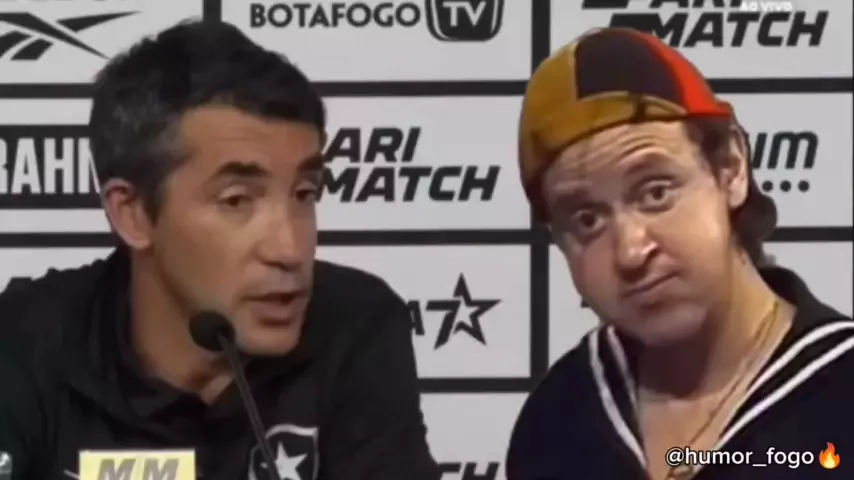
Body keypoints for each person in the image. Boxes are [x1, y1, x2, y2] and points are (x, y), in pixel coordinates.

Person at [0, 20, 440, 480]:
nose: (291, 249)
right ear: (132, 214)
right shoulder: (24, 344)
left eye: (305, 193)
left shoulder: (355, 326)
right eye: (236, 201)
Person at [506, 27, 854, 480]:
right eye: (587, 220)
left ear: (730, 170)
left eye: (656, 192)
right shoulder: (558, 418)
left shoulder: (840, 391)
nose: (631, 251)